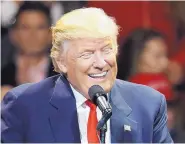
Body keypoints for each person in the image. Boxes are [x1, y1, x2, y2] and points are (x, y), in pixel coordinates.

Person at [1, 7, 173, 143]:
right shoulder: (23, 105)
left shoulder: (149, 105)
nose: (100, 63)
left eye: (107, 50)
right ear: (61, 62)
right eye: (87, 54)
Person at [1, 2, 58, 98]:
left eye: (40, 27)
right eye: (25, 28)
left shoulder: (65, 77)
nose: (32, 35)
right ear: (13, 34)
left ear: (51, 34)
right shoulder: (3, 73)